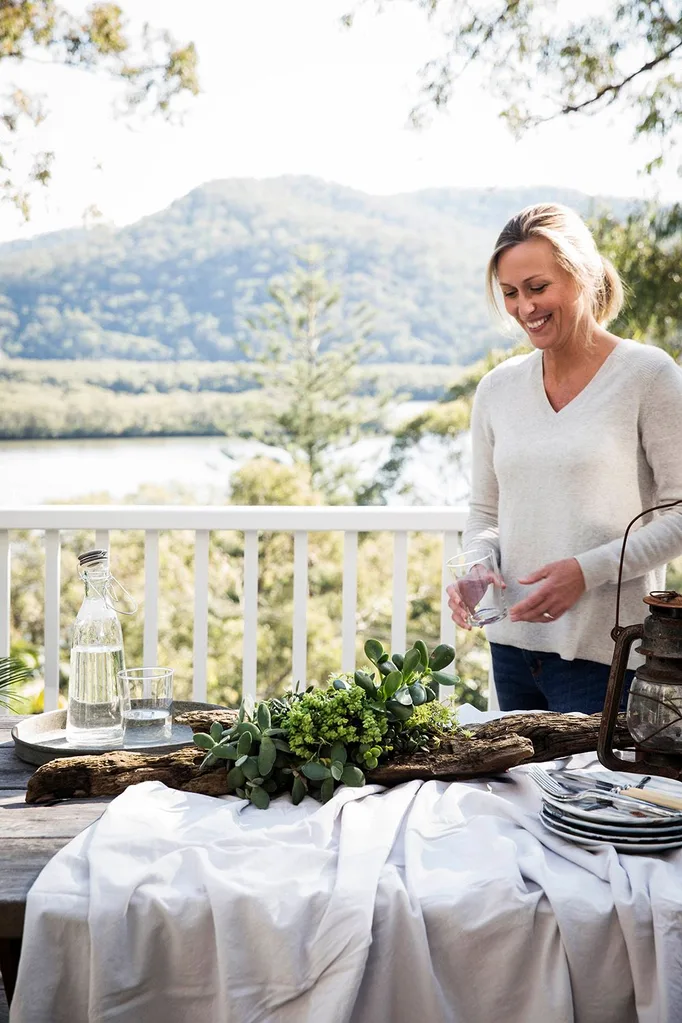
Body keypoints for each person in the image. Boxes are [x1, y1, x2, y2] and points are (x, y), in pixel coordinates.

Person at [447, 202, 682, 714]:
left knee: (596, 797)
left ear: (583, 277)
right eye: (510, 294)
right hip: (511, 650)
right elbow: (487, 515)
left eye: (537, 287)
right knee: (521, 795)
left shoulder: (648, 376)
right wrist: (479, 565)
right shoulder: (498, 388)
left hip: (607, 653)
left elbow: (680, 514)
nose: (523, 307)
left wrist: (585, 571)